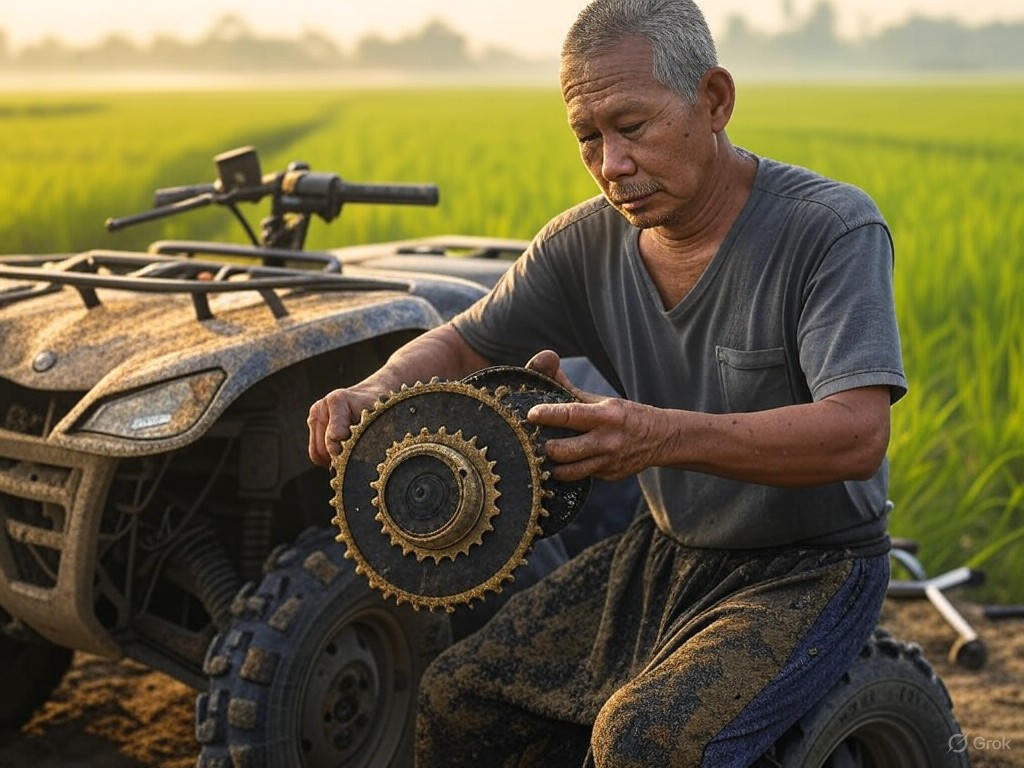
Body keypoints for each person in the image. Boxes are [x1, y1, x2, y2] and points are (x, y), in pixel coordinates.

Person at [307, 0, 907, 764]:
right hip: (665, 551)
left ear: (714, 100)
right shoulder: (583, 244)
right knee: (461, 697)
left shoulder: (829, 230)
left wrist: (654, 434)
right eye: (588, 137)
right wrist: (375, 389)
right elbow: (461, 343)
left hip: (811, 568)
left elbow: (857, 434)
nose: (612, 164)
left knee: (643, 741)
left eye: (632, 126)